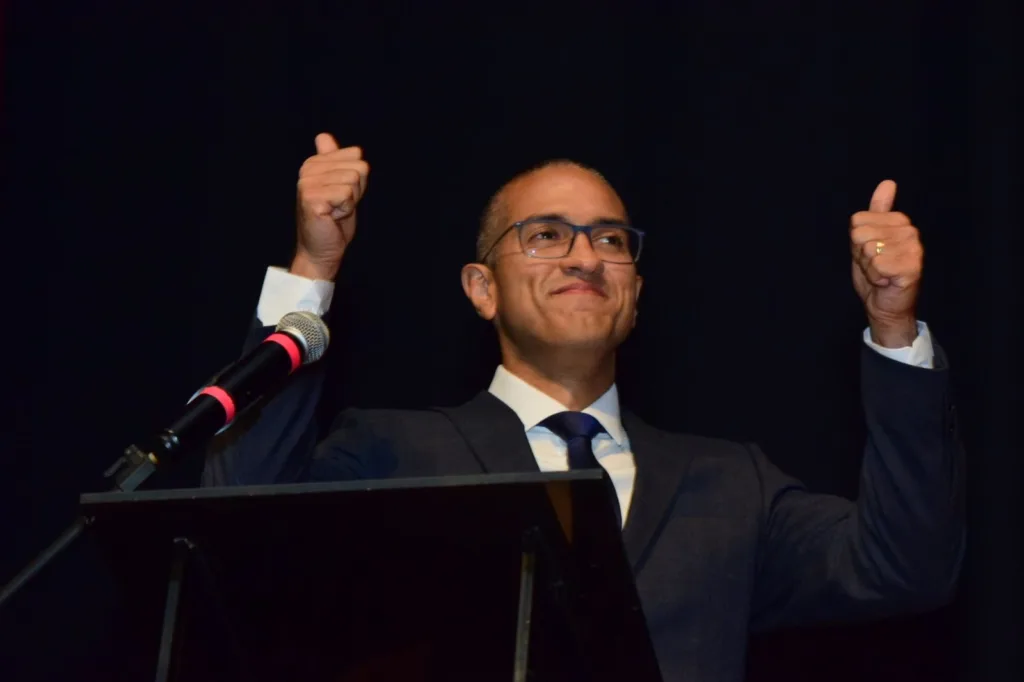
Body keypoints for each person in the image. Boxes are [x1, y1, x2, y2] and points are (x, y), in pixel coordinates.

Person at [202, 133, 965, 681]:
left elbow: (906, 567)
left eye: (610, 239)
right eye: (545, 236)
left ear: (634, 293)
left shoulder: (732, 484)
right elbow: (240, 518)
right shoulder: (392, 453)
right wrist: (314, 267)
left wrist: (894, 330)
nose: (583, 256)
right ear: (482, 288)